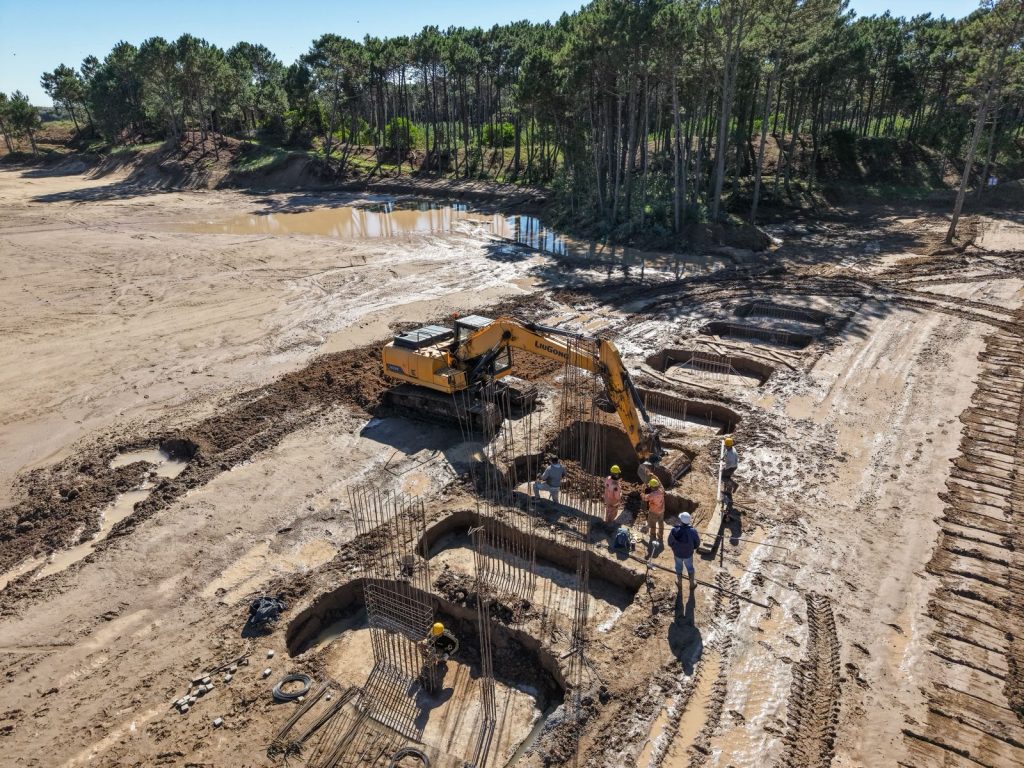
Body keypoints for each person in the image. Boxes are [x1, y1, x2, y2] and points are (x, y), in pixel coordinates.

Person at [668, 512, 701, 591]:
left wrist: (674, 548)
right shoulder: (693, 531)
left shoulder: (674, 530)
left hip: (677, 554)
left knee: (678, 567)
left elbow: (670, 542)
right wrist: (692, 548)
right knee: (690, 568)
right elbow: (697, 543)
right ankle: (692, 584)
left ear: (680, 521)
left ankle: (679, 583)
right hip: (688, 554)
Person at [643, 477, 665, 543]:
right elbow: (660, 484)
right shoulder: (662, 490)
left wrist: (642, 494)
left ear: (652, 487)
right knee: (661, 522)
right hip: (661, 510)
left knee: (653, 523)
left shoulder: (652, 495)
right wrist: (654, 476)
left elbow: (645, 498)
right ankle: (660, 535)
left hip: (653, 511)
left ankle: (653, 535)